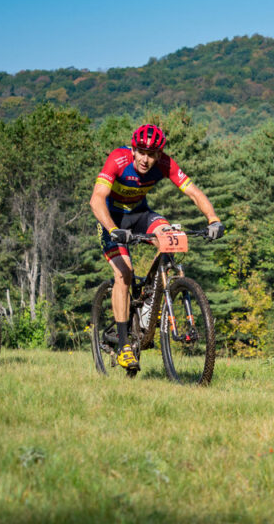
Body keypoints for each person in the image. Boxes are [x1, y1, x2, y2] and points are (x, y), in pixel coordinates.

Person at [89, 123, 224, 372]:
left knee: (170, 236)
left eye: (152, 154)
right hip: (112, 219)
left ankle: (150, 301)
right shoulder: (118, 159)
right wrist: (112, 229)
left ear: (159, 155)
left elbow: (193, 192)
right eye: (141, 152)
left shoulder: (165, 164)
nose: (145, 159)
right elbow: (96, 199)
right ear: (134, 149)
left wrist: (213, 219)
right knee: (124, 273)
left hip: (140, 215)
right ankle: (123, 344)